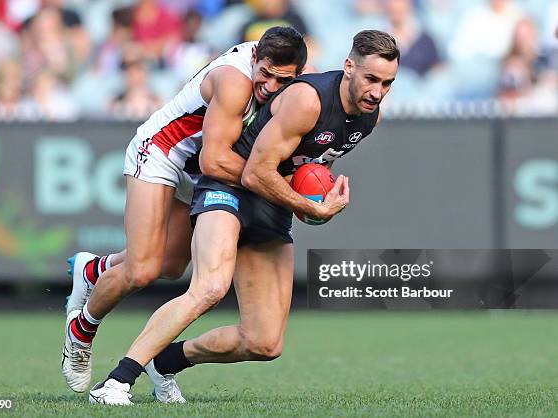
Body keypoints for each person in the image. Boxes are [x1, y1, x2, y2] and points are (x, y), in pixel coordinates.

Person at [89, 29, 399, 405]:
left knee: (264, 342)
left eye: (387, 83)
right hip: (230, 186)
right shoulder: (308, 100)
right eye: (371, 79)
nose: (377, 91)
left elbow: (308, 170)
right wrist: (308, 206)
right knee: (209, 287)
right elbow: (254, 172)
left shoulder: (370, 118)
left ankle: (166, 361)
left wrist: (316, 197)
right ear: (349, 67)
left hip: (270, 203)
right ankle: (115, 382)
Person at [61, 26, 307, 393]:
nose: (270, 86)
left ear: (297, 75)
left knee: (171, 267)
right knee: (142, 270)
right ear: (255, 57)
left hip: (199, 167)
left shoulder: (290, 87)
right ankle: (81, 331)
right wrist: (277, 185)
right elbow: (214, 160)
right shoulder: (234, 81)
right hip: (163, 151)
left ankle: (94, 269)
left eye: (281, 80)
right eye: (265, 74)